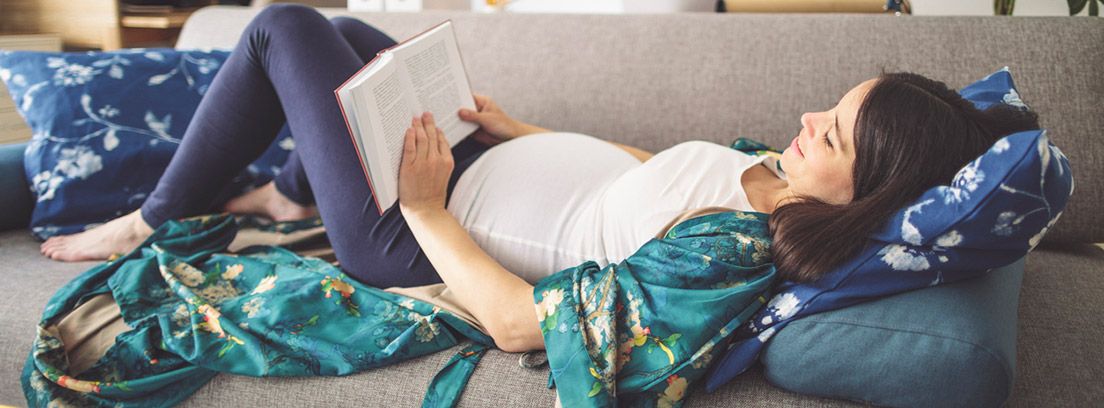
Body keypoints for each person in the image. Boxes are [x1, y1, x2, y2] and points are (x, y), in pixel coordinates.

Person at [37, 5, 1038, 353]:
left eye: (835, 134)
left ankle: (148, 220)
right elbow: (652, 175)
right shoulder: (778, 174)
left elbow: (522, 323)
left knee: (285, 28)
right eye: (835, 103)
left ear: (863, 191)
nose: (811, 119)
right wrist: (532, 130)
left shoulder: (733, 253)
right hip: (481, 166)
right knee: (349, 43)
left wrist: (424, 203)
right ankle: (295, 192)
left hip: (413, 232)